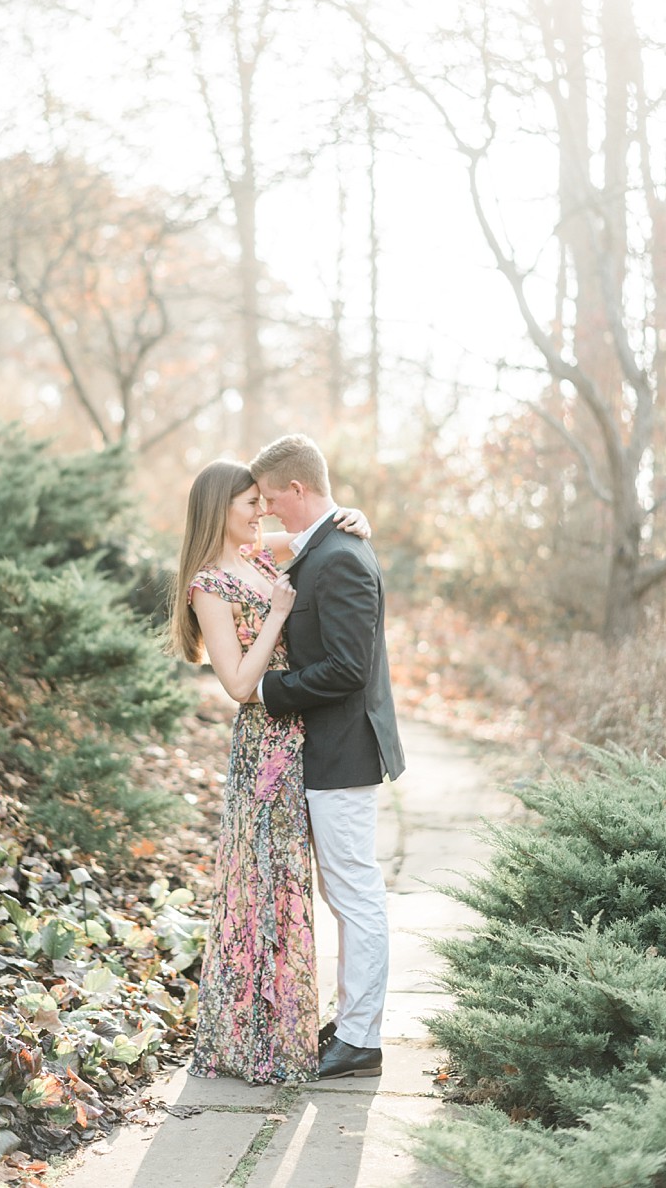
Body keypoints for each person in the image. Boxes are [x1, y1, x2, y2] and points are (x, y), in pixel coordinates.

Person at [169, 460, 371, 1083]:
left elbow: (319, 535)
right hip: (263, 750)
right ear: (218, 508)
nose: (261, 512)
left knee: (288, 887)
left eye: (262, 501)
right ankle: (254, 1041)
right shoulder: (209, 584)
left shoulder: (260, 555)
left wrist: (358, 517)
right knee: (260, 886)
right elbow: (235, 683)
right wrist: (279, 614)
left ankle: (286, 1029)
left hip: (300, 738)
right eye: (249, 502)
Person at [250, 433, 405, 1080]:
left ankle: (361, 1039)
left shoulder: (339, 555)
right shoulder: (322, 545)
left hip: (342, 751)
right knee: (343, 890)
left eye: (269, 500)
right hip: (326, 750)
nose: (265, 514)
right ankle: (350, 1021)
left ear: (297, 489)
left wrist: (266, 690)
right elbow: (244, 552)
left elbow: (346, 668)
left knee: (355, 893)